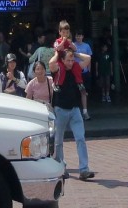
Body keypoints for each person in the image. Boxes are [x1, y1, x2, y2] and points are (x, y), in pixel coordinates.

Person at [48, 48, 94, 180]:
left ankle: (84, 169)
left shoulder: (76, 68)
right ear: (62, 60)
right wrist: (58, 53)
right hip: (60, 109)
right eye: (67, 60)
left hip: (74, 109)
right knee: (58, 141)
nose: (70, 62)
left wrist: (75, 53)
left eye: (72, 60)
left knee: (80, 138)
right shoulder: (58, 69)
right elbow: (51, 63)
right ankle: (61, 168)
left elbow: (88, 58)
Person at [75, 30, 93, 118]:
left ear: (82, 36)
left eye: (80, 36)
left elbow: (89, 59)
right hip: (74, 72)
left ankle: (85, 111)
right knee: (74, 92)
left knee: (84, 91)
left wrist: (89, 70)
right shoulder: (72, 45)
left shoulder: (87, 46)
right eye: (77, 36)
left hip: (84, 72)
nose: (78, 37)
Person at [95, 37, 114, 103]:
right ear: (102, 47)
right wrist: (96, 71)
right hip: (101, 70)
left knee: (108, 83)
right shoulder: (99, 54)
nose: (105, 48)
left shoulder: (109, 54)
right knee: (102, 83)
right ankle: (103, 95)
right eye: (104, 47)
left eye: (106, 47)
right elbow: (97, 63)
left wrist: (111, 70)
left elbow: (111, 62)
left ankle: (107, 95)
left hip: (107, 70)